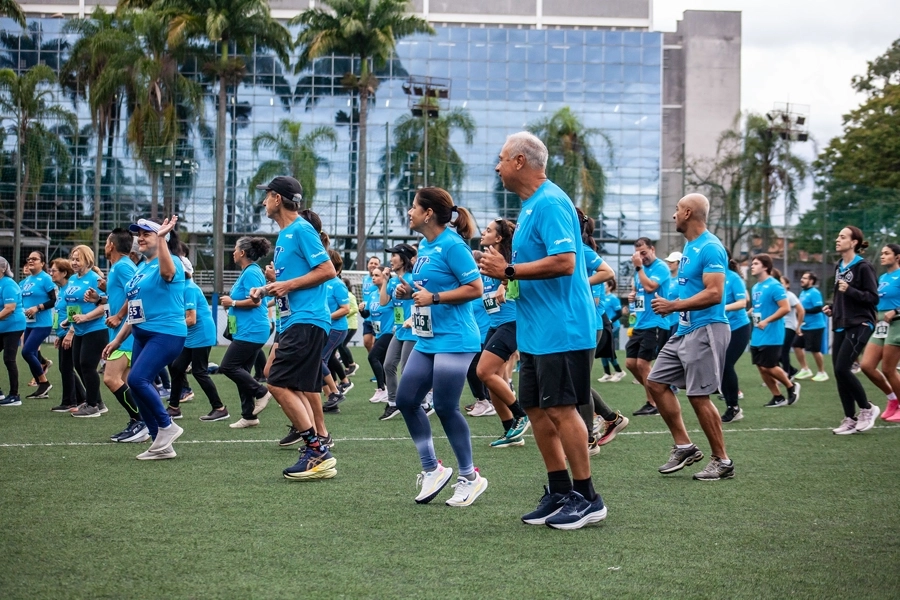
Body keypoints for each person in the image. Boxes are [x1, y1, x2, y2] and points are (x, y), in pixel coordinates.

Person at [481, 132, 606, 528]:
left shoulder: (551, 200)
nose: (497, 166)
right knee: (535, 408)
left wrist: (509, 270)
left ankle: (588, 497)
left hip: (563, 328)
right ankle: (558, 490)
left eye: (501, 159)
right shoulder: (531, 207)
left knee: (561, 408)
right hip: (535, 330)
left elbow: (566, 262)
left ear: (520, 161)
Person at [391, 187, 487, 507]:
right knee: (406, 400)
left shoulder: (453, 245)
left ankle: (470, 477)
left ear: (428, 213)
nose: (409, 212)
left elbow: (475, 288)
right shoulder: (424, 244)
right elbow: (428, 287)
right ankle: (432, 469)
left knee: (445, 407)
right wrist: (411, 295)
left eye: (414, 207)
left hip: (456, 339)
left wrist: (433, 298)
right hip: (428, 338)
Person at [251, 177, 337, 480]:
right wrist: (267, 288)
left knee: (275, 381)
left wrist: (286, 283)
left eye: (266, 197)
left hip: (308, 319)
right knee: (294, 385)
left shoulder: (301, 229)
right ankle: (317, 444)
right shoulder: (285, 236)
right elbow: (294, 282)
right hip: (294, 320)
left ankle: (316, 450)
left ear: (277, 199)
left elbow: (327, 270)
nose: (263, 202)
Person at [645, 193, 734, 481]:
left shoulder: (711, 247)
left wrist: (673, 306)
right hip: (685, 330)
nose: (673, 215)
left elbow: (714, 293)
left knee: (698, 396)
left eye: (677, 209)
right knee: (656, 382)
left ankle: (722, 461)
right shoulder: (689, 247)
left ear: (688, 213)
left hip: (708, 328)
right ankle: (684, 446)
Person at [103, 217, 186, 460]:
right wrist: (117, 340)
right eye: (138, 234)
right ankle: (159, 445)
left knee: (138, 379)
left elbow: (168, 273)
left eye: (146, 234)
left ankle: (167, 425)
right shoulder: (139, 268)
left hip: (166, 333)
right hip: (141, 333)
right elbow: (134, 310)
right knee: (136, 388)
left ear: (162, 237)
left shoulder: (171, 262)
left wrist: (160, 238)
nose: (140, 237)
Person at [475, 219, 531, 447]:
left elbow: (516, 274)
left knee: (483, 371)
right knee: (492, 379)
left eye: (488, 231)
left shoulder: (508, 261)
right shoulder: (486, 262)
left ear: (498, 238)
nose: (483, 233)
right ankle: (511, 431)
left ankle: (520, 414)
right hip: (495, 324)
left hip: (512, 322)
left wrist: (504, 283)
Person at [93, 229, 147, 443]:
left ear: (111, 245)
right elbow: (123, 294)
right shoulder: (118, 267)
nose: (105, 245)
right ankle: (143, 422)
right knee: (127, 382)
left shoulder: (124, 265)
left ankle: (141, 421)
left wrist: (119, 316)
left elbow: (138, 291)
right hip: (122, 331)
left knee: (110, 378)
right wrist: (102, 297)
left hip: (127, 332)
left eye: (106, 241)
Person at [825, 226, 880, 434]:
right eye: (837, 236)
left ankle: (867, 408)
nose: (837, 240)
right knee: (839, 373)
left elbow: (873, 298)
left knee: (842, 368)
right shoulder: (839, 265)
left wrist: (851, 290)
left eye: (842, 237)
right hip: (840, 323)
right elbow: (840, 296)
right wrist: (832, 308)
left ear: (854, 242)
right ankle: (849, 418)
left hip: (861, 323)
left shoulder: (864, 266)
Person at [219, 237, 273, 429]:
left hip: (253, 330)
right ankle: (249, 416)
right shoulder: (247, 272)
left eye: (234, 249)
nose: (233, 252)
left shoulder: (251, 273)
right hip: (245, 329)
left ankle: (261, 392)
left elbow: (256, 301)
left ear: (242, 253)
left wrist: (232, 303)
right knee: (242, 371)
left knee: (228, 367)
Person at [167, 257, 227, 422]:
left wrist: (171, 327)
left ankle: (219, 408)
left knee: (199, 371)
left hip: (201, 334)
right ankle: (174, 408)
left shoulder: (189, 289)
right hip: (193, 335)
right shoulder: (182, 288)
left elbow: (191, 319)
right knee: (177, 367)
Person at [748, 255, 800, 408]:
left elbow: (785, 308)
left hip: (772, 333)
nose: (752, 266)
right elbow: (759, 307)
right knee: (760, 366)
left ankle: (791, 386)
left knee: (769, 366)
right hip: (758, 333)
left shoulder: (775, 285)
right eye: (752, 263)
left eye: (756, 263)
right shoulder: (755, 287)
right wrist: (749, 313)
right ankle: (777, 397)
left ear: (765, 267)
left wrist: (767, 320)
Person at [627, 237, 671, 416]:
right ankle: (655, 394)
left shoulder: (660, 267)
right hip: (641, 322)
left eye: (644, 253)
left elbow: (651, 287)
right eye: (638, 254)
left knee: (643, 363)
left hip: (656, 322)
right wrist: (632, 298)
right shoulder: (640, 270)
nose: (641, 257)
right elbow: (640, 292)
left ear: (652, 249)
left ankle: (653, 402)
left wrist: (638, 267)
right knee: (630, 364)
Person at [63, 246, 109, 418]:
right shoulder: (73, 279)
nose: (74, 262)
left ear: (88, 260)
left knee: (88, 365)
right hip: (79, 329)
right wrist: (69, 320)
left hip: (96, 328)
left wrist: (86, 317)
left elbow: (104, 305)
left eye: (78, 259)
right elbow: (75, 305)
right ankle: (98, 402)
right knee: (78, 365)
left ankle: (92, 406)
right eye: (72, 259)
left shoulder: (95, 279)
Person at [859, 244, 900, 422]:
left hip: (897, 324)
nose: (882, 256)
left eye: (886, 253)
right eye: (882, 253)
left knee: (888, 369)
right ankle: (893, 399)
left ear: (897, 257)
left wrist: (897, 311)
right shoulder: (883, 277)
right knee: (866, 366)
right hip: (881, 325)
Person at [380, 243, 418, 421]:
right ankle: (393, 403)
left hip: (413, 329)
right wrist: (385, 280)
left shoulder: (413, 278)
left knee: (407, 369)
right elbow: (383, 302)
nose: (391, 259)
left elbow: (421, 299)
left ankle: (423, 403)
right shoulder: (393, 280)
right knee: (388, 365)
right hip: (400, 329)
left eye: (394, 255)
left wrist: (412, 319)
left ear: (403, 258)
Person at [47, 259, 87, 412]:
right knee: (65, 367)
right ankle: (80, 397)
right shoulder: (61, 290)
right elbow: (60, 313)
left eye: (54, 270)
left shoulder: (70, 289)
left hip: (72, 333)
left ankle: (70, 401)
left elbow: (75, 312)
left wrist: (70, 333)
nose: (52, 273)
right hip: (63, 333)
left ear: (64, 273)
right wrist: (59, 334)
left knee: (66, 367)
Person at [20, 251, 56, 399]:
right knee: (31, 353)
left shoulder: (46, 279)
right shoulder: (26, 281)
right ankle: (41, 388)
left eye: (34, 259)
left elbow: (53, 300)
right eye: (29, 259)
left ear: (42, 263)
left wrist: (37, 307)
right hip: (29, 323)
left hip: (43, 323)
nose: (30, 261)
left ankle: (44, 382)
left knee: (27, 352)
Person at [721, 256, 751, 423]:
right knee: (721, 365)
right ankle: (730, 405)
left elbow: (742, 302)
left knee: (726, 364)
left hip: (739, 328)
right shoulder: (712, 277)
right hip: (722, 328)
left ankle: (734, 407)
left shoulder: (733, 278)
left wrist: (721, 308)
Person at [321, 249, 351, 412]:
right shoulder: (322, 282)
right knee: (319, 362)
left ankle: (335, 392)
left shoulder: (337, 284)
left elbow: (345, 309)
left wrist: (326, 317)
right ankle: (331, 402)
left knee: (319, 360)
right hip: (326, 328)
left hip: (337, 329)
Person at [363, 267, 395, 412]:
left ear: (384, 277)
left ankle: (382, 389)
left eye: (377, 275)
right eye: (372, 275)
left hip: (390, 332)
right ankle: (386, 390)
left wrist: (397, 325)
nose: (373, 278)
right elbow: (367, 316)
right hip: (380, 333)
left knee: (373, 357)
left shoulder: (390, 294)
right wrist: (362, 310)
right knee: (382, 362)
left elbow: (398, 309)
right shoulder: (372, 295)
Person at [793, 271, 829, 382]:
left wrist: (803, 311)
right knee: (796, 345)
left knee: (815, 350)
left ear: (811, 281)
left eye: (805, 278)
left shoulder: (814, 292)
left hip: (815, 326)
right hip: (805, 326)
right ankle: (805, 369)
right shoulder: (803, 293)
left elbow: (818, 308)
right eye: (802, 277)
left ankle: (822, 372)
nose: (801, 280)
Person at [0, 257, 26, 407]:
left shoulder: (9, 284)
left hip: (13, 326)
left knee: (9, 359)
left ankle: (15, 396)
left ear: (3, 268)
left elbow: (9, 308)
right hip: (2, 327)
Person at [598, 279, 626, 382]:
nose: (603, 286)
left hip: (613, 327)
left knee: (609, 350)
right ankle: (607, 373)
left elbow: (619, 313)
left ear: (610, 286)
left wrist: (610, 321)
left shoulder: (613, 298)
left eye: (605, 285)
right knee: (602, 350)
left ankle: (619, 372)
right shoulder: (601, 297)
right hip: (603, 327)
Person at [777, 271, 802, 380]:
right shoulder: (777, 296)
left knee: (783, 351)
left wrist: (798, 326)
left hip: (789, 326)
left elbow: (801, 311)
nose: (780, 285)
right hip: (780, 326)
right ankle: (791, 370)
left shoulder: (790, 296)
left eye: (782, 283)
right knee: (776, 352)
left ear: (787, 285)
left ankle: (786, 374)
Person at [361, 256, 381, 353]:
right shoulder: (365, 278)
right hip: (367, 315)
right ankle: (375, 361)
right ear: (367, 265)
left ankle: (377, 361)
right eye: (371, 263)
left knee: (375, 343)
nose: (373, 265)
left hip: (377, 316)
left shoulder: (381, 279)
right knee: (367, 342)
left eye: (376, 263)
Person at [664, 251, 682, 337]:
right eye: (668, 262)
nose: (669, 264)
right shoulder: (665, 279)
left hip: (677, 321)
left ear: (679, 263)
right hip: (665, 321)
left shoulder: (682, 280)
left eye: (672, 262)